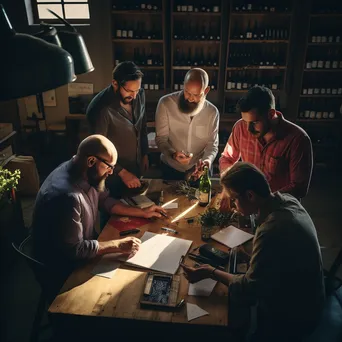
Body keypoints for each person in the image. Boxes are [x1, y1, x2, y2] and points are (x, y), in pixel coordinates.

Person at [181, 162, 325, 341]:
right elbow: (280, 259)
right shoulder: (286, 200)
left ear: (250, 195)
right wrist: (252, 257)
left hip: (294, 317)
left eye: (234, 199)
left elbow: (248, 290)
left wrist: (210, 272)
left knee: (229, 321)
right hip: (308, 296)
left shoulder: (272, 229)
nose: (232, 206)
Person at [31, 135, 165, 302]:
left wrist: (142, 213)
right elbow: (74, 251)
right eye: (109, 167)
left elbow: (105, 200)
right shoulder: (67, 196)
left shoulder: (84, 172)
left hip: (79, 252)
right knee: (128, 293)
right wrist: (117, 244)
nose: (111, 173)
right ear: (91, 161)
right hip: (62, 271)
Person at [219, 86, 313, 202]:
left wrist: (264, 200)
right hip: (247, 203)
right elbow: (227, 158)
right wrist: (228, 185)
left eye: (254, 122)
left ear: (271, 114)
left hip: (281, 208)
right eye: (245, 121)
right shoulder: (240, 127)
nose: (248, 129)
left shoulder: (298, 139)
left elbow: (299, 187)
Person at [87, 61, 148, 196]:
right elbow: (97, 149)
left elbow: (142, 125)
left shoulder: (139, 94)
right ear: (115, 83)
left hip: (136, 167)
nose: (134, 96)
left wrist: (144, 153)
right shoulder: (100, 108)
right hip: (112, 176)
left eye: (137, 90)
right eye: (129, 91)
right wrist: (122, 172)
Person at [155, 68, 219, 180]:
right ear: (184, 85)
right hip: (171, 167)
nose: (189, 98)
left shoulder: (212, 112)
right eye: (187, 92)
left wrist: (206, 162)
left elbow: (212, 145)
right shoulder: (166, 103)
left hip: (198, 169)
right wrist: (173, 154)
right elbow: (161, 138)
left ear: (206, 90)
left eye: (196, 95)